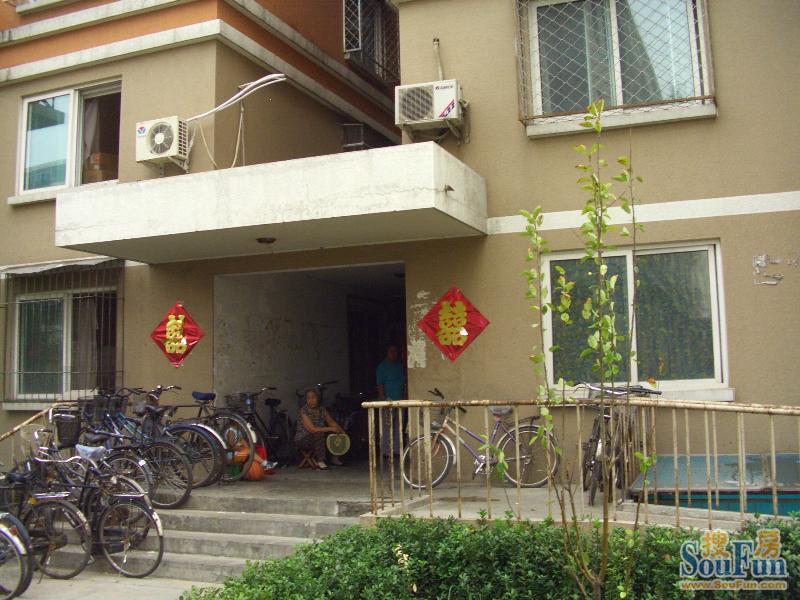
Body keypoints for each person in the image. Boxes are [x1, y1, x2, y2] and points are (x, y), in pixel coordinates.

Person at [294, 387, 345, 469]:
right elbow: (312, 429)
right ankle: (320, 462)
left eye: (313, 397)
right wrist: (330, 428)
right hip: (303, 439)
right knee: (319, 433)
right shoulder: (304, 411)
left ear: (318, 398)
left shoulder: (322, 409)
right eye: (308, 398)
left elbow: (331, 422)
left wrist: (341, 431)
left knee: (335, 432)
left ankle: (335, 458)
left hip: (318, 439)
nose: (311, 400)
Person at [376, 344, 406, 456]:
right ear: (387, 353)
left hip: (400, 401)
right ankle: (386, 451)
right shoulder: (382, 367)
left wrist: (404, 397)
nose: (394, 353)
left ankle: (397, 450)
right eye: (391, 351)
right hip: (388, 400)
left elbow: (404, 383)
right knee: (387, 426)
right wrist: (383, 400)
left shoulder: (399, 366)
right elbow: (380, 385)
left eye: (395, 351)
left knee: (399, 426)